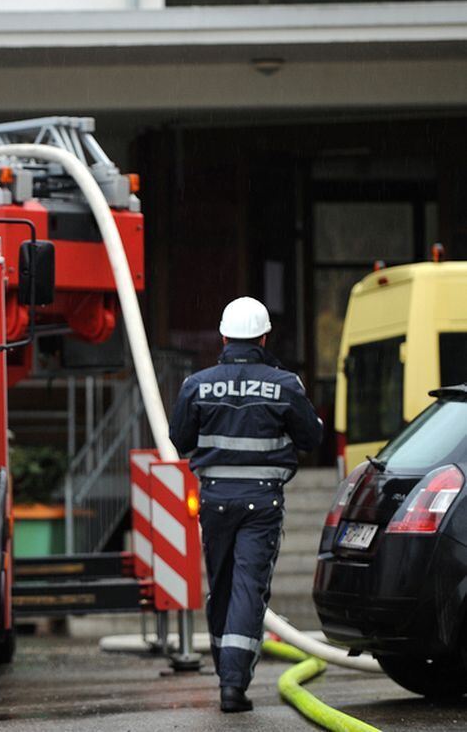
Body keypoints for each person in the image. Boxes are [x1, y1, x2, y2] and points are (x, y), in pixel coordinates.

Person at [169, 296, 322, 713]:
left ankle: (226, 673)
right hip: (262, 501)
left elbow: (180, 439)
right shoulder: (285, 384)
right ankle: (233, 685)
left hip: (215, 499)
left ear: (223, 338)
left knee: (221, 586)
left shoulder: (197, 384)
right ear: (264, 338)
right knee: (248, 589)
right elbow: (311, 438)